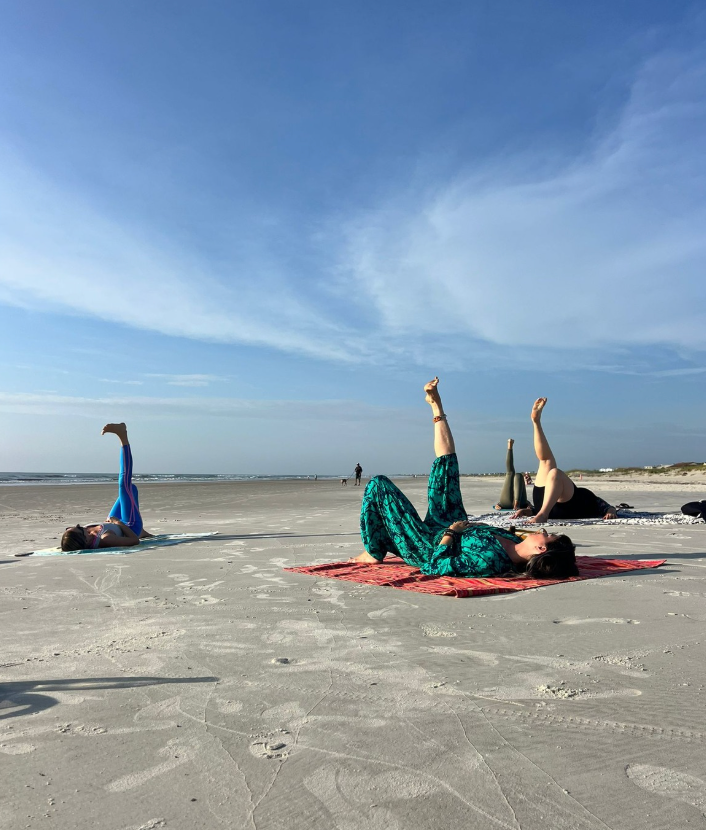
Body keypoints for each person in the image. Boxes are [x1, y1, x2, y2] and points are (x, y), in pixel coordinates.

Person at [350, 378, 579, 580]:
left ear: (541, 548)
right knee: (448, 466)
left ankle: (373, 552)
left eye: (547, 535)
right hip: (454, 522)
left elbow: (434, 566)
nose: (543, 532)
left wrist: (452, 533)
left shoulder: (491, 561)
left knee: (378, 484)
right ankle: (436, 406)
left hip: (426, 544)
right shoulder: (515, 541)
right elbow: (504, 533)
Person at [512, 398, 617, 523]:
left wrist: (611, 511)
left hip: (556, 506)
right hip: (545, 504)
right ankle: (536, 422)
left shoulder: (589, 499)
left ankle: (543, 515)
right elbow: (608, 507)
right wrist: (530, 511)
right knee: (546, 462)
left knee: (550, 467)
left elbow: (609, 508)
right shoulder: (590, 499)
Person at [61, 423, 151, 551]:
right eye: (81, 529)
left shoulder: (87, 536)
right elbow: (134, 541)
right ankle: (123, 436)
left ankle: (143, 532)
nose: (84, 527)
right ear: (85, 540)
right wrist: (117, 523)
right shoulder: (106, 540)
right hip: (130, 526)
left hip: (115, 524)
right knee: (124, 485)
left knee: (132, 489)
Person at [494, 439, 531, 510]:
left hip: (505, 503)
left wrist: (498, 504)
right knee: (518, 475)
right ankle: (516, 503)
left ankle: (509, 447)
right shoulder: (524, 502)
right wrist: (528, 504)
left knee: (510, 473)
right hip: (521, 503)